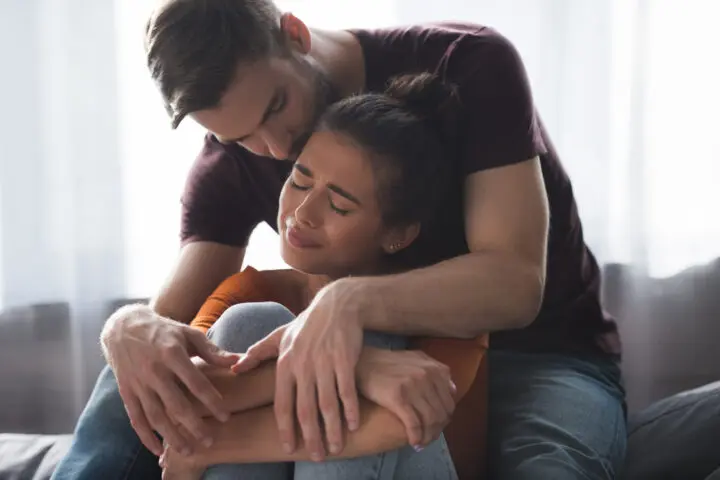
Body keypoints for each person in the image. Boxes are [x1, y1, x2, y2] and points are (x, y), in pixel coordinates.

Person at [53, 0, 627, 478]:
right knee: (168, 354)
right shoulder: (231, 161)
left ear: (295, 34)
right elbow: (171, 327)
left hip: (545, 356)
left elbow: (514, 284)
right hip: (375, 360)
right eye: (239, 138)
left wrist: (344, 303)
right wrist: (126, 328)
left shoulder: (465, 65)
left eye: (276, 108)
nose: (276, 150)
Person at [155, 72, 472, 480]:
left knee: (364, 334)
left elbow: (406, 416)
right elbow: (185, 402)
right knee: (251, 321)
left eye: (339, 206)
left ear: (397, 234)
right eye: (300, 181)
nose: (302, 214)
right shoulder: (251, 293)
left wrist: (214, 444)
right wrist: (360, 369)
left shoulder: (442, 310)